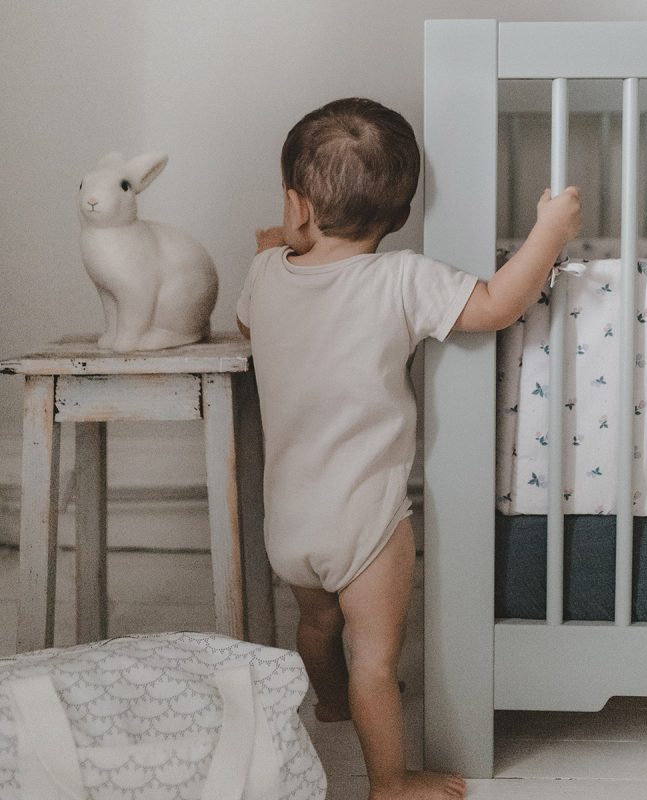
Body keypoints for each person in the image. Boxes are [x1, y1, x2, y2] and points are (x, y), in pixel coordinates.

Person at [237, 97, 581, 800]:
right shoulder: (400, 279)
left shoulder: (265, 277)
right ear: (396, 218)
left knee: (316, 623)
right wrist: (548, 234)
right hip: (365, 522)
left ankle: (327, 703)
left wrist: (283, 239)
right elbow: (493, 305)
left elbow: (256, 307)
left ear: (297, 205)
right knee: (377, 657)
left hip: (288, 520)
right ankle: (390, 780)